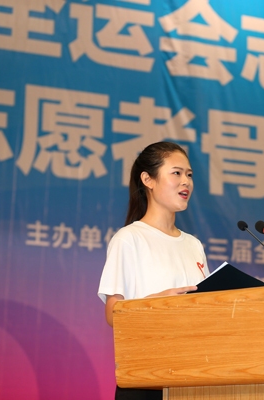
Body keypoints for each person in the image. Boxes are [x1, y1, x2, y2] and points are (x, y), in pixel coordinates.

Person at [98, 141, 209, 400]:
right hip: (146, 378)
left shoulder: (194, 245)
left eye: (189, 174)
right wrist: (157, 304)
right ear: (148, 179)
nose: (186, 182)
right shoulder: (129, 238)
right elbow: (113, 313)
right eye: (176, 173)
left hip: (195, 376)